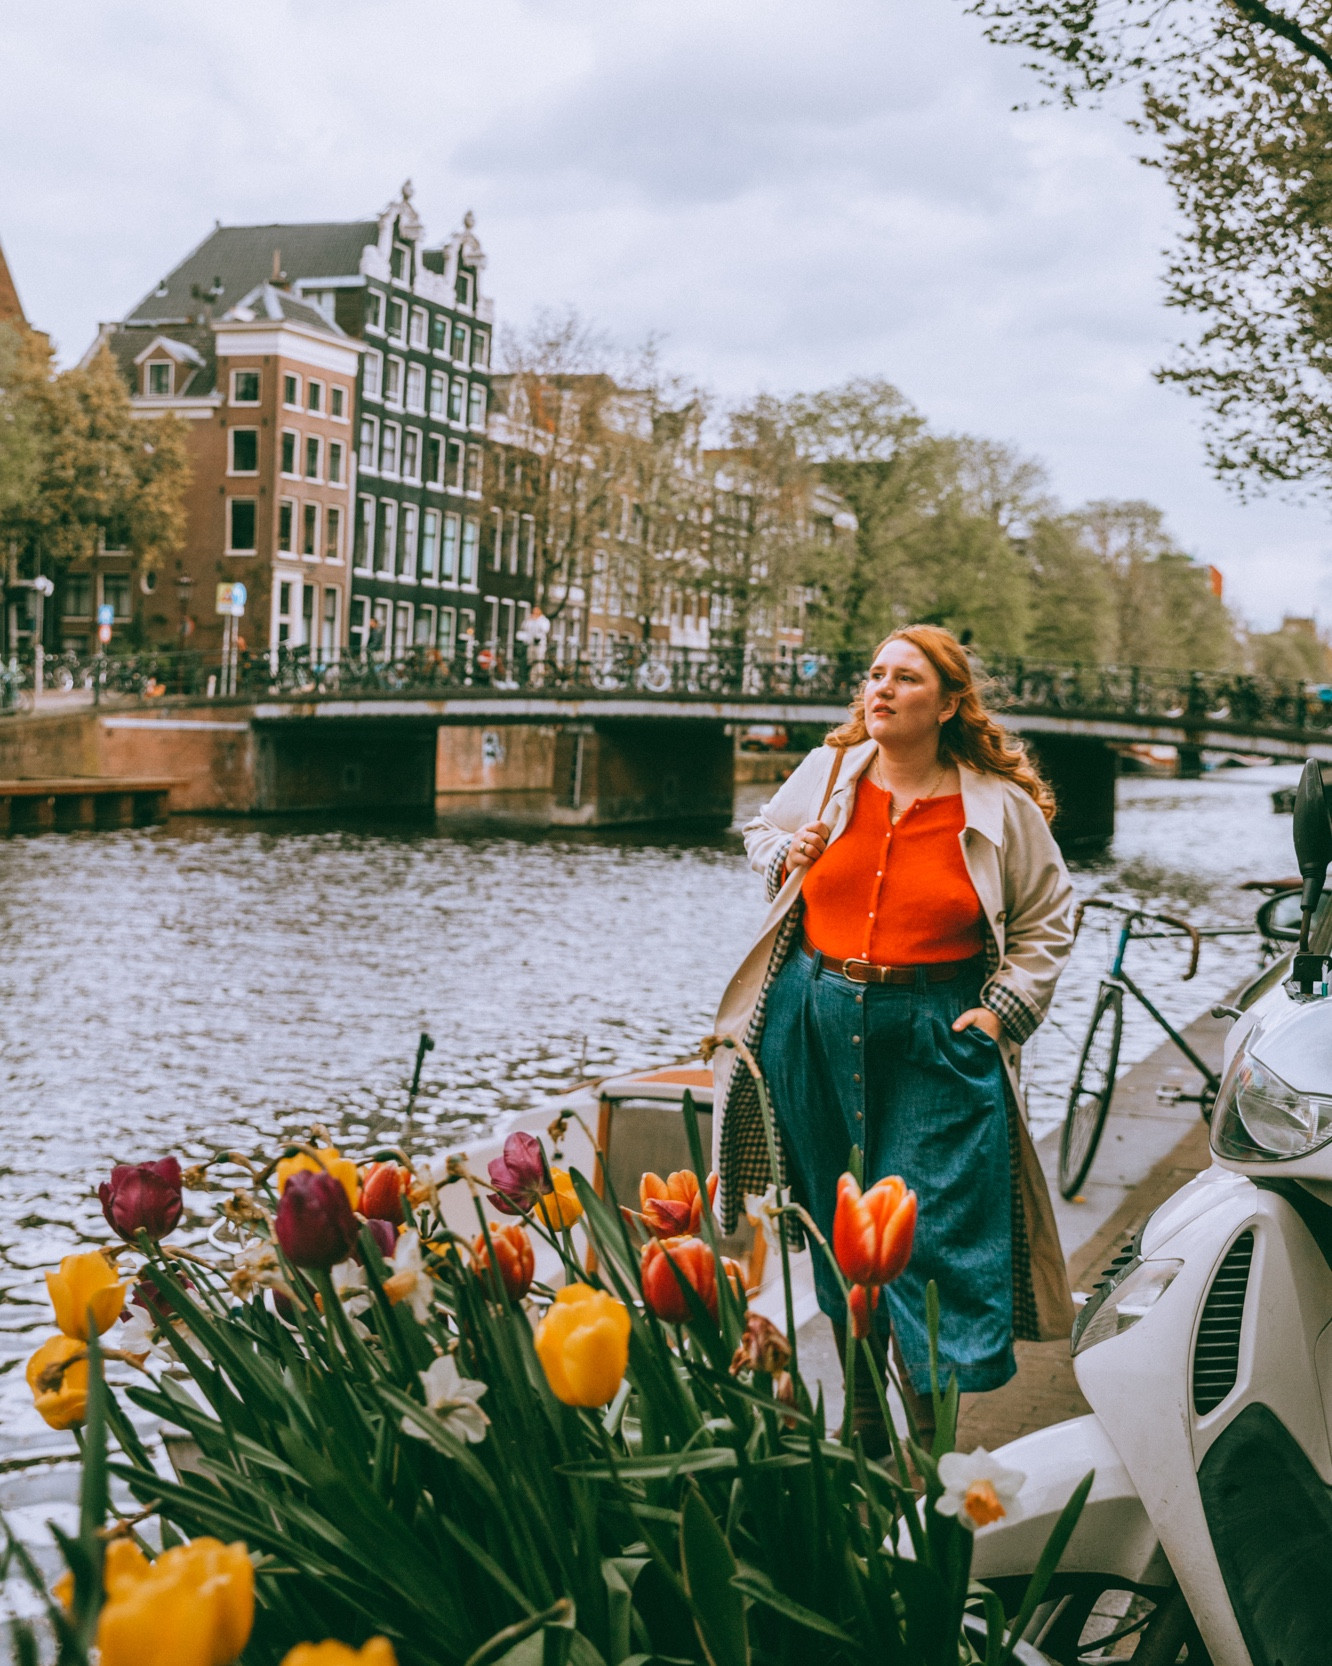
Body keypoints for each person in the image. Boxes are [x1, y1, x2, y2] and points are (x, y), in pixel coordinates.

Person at [711, 625, 1075, 1447]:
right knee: (837, 1223)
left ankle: (931, 1426)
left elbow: (1052, 915)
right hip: (812, 1020)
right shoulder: (829, 771)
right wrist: (785, 855)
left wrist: (1004, 1009)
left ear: (948, 704)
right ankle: (863, 1409)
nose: (880, 688)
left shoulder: (996, 805)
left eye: (905, 678)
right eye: (874, 674)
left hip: (933, 1033)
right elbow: (762, 834)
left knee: (924, 1232)